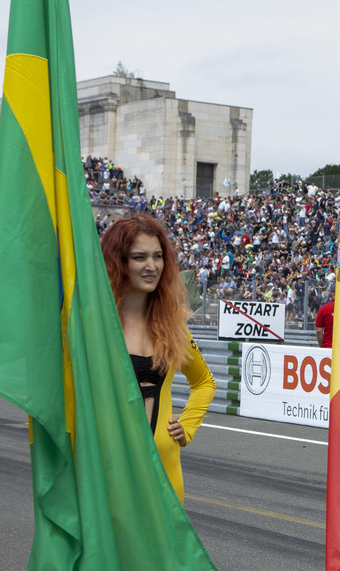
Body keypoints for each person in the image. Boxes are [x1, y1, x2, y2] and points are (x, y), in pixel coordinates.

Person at [100, 213, 216, 503]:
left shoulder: (173, 326)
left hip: (165, 471)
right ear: (119, 262)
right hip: (107, 469)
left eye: (158, 256)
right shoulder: (95, 324)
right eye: (139, 257)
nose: (151, 266)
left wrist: (187, 427)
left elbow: (204, 382)